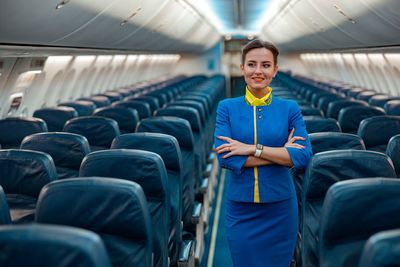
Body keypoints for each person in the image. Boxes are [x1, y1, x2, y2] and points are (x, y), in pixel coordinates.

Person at [214, 39, 312, 267]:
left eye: (266, 65)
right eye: (252, 64)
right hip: (241, 208)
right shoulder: (226, 108)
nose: (258, 71)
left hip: (280, 208)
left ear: (275, 70)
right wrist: (281, 155)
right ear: (242, 69)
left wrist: (251, 149)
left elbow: (303, 156)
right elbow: (226, 157)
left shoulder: (289, 109)